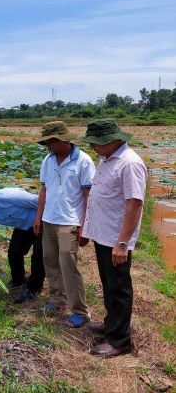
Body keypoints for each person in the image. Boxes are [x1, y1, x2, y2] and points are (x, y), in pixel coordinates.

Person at [81, 120, 147, 358]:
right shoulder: (107, 158)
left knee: (119, 287)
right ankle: (112, 326)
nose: (93, 147)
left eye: (96, 143)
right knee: (109, 284)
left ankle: (120, 340)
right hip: (103, 234)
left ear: (112, 141)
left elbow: (134, 203)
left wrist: (123, 242)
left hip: (116, 238)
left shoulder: (129, 163)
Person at [34, 121, 95, 328]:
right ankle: (57, 300)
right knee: (49, 261)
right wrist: (38, 217)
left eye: (49, 142)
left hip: (70, 222)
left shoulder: (83, 161)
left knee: (68, 265)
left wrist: (85, 225)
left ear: (61, 140)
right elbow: (44, 190)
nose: (47, 146)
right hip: (49, 219)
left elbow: (89, 196)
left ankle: (80, 311)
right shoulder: (48, 160)